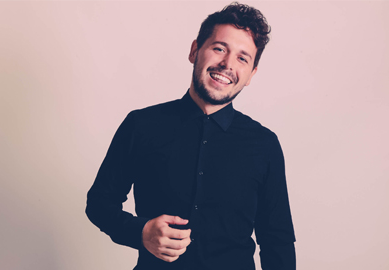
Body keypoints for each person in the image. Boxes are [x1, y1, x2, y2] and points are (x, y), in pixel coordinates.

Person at [86, 2, 296, 270]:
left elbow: (276, 240)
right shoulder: (141, 125)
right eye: (219, 48)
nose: (227, 64)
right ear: (195, 50)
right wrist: (140, 232)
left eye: (243, 58)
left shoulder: (264, 144)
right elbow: (99, 203)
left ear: (251, 74)